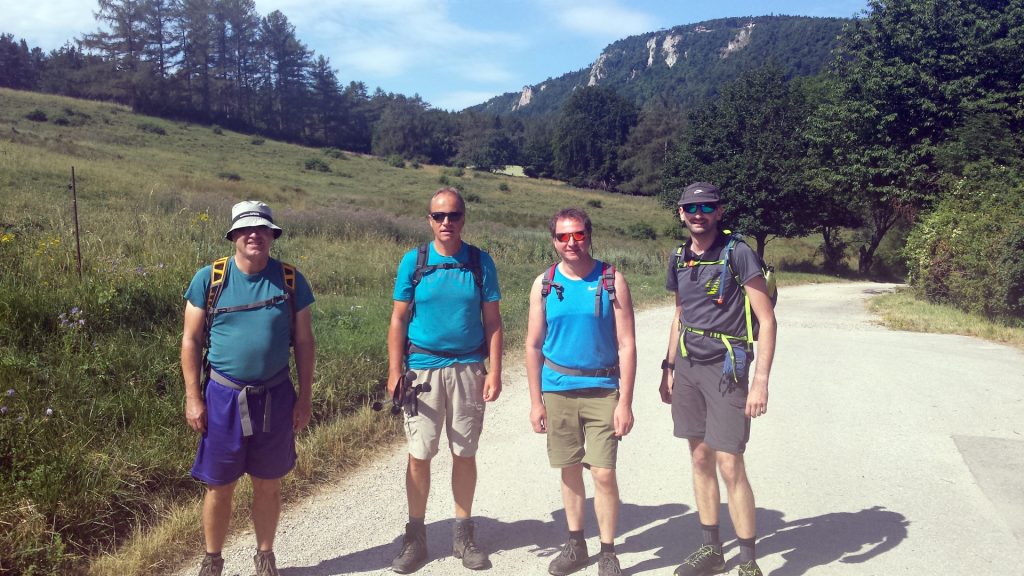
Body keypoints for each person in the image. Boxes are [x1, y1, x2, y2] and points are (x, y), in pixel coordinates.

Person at [181, 200, 316, 576]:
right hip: (223, 397)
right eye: (245, 229)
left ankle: (265, 556)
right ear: (233, 235)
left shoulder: (291, 280)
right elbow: (190, 340)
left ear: (273, 236)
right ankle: (212, 560)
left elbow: (305, 342)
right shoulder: (210, 279)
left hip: (275, 395)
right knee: (219, 485)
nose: (254, 235)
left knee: (267, 482)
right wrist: (193, 397)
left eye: (262, 229)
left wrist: (304, 398)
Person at [659, 183, 777, 576]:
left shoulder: (738, 253)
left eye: (706, 206)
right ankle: (712, 549)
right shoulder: (678, 257)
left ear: (719, 211)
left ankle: (748, 562)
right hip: (689, 367)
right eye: (691, 207)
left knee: (730, 462)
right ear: (680, 213)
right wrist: (668, 368)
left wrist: (760, 381)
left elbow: (767, 319)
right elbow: (679, 315)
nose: (698, 213)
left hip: (728, 367)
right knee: (699, 456)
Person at [386, 187, 504, 573]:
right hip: (422, 370)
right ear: (429, 220)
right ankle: (415, 537)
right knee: (420, 455)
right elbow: (399, 319)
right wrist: (393, 371)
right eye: (439, 216)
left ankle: (463, 534)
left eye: (453, 215)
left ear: (463, 218)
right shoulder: (413, 261)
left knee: (464, 452)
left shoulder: (479, 262)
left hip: (469, 368)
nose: (446, 222)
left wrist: (495, 370)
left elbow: (494, 322)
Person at [525, 208, 636, 576]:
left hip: (603, 388)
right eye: (563, 236)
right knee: (569, 468)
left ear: (589, 235)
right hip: (557, 388)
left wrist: (626, 402)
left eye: (578, 235)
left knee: (603, 473)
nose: (571, 243)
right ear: (554, 240)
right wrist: (535, 401)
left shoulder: (611, 279)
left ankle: (608, 551)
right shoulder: (544, 284)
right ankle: (575, 545)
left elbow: (627, 344)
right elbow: (533, 345)